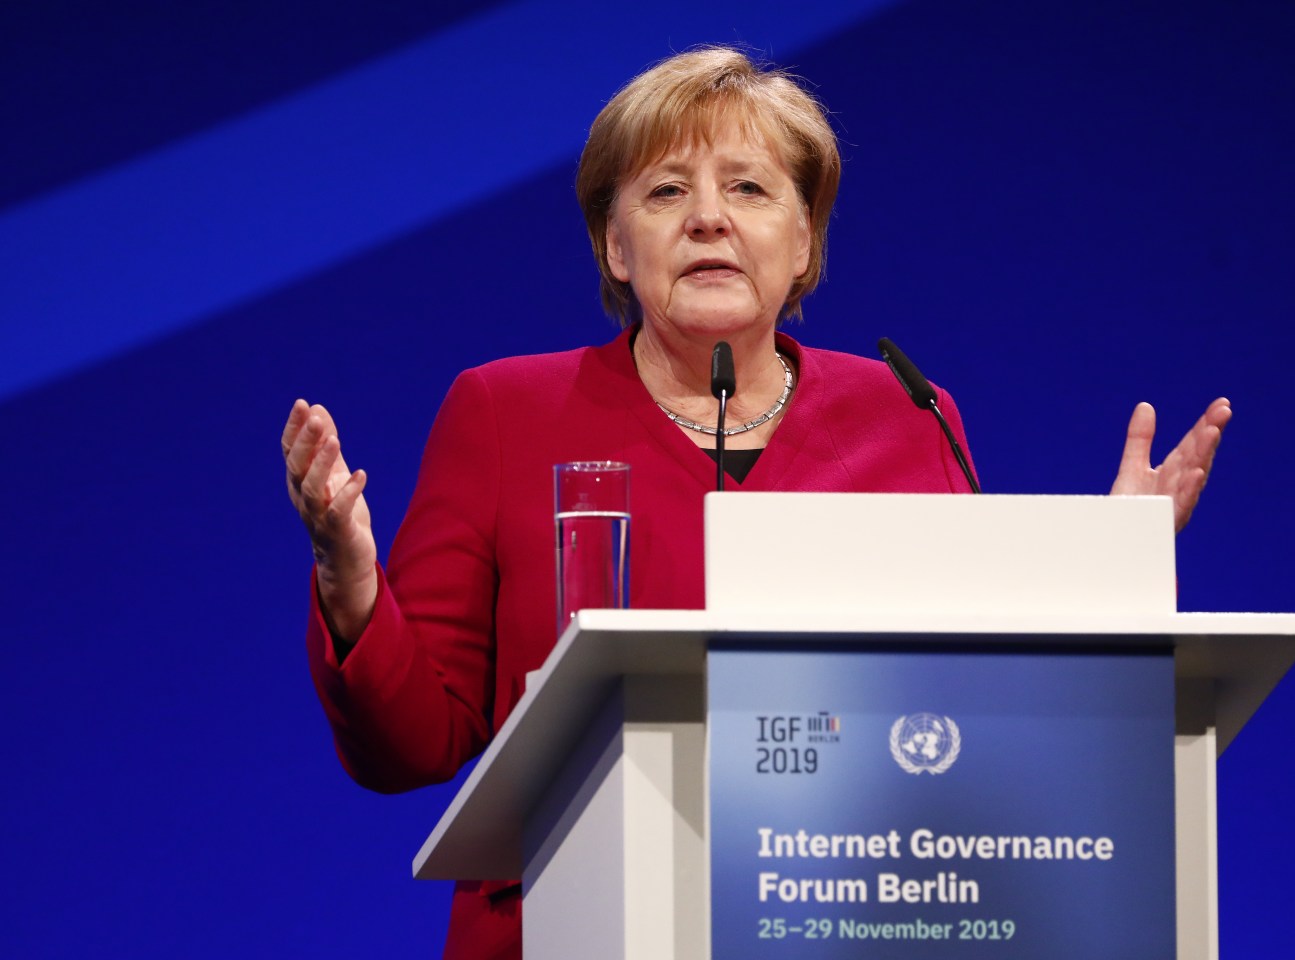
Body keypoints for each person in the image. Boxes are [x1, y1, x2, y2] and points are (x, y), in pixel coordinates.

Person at [280, 47, 1230, 960]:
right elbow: (410, 748)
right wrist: (350, 580)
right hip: (573, 927)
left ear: (804, 237)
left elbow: (969, 700)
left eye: (749, 188)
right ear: (616, 246)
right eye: (665, 192)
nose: (708, 220)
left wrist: (1108, 572)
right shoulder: (504, 413)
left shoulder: (909, 413)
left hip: (854, 919)